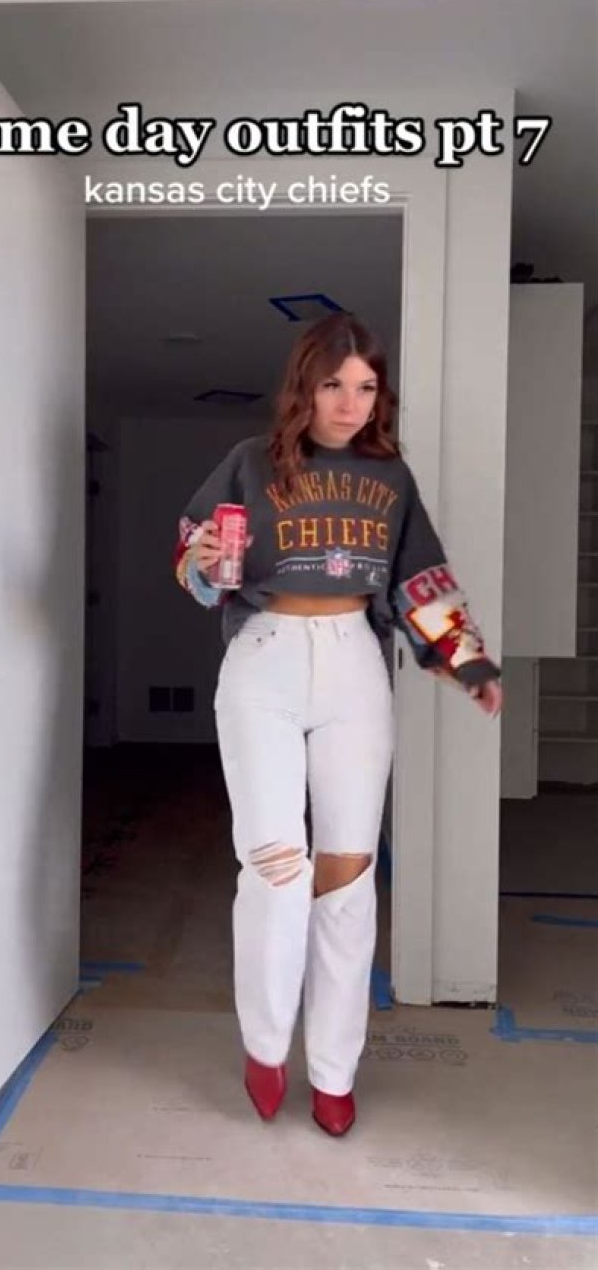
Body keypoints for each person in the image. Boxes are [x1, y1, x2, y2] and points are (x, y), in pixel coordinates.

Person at [173, 313, 502, 1137]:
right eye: (334, 385)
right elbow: (194, 560)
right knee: (275, 867)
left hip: (355, 661)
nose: (351, 403)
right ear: (305, 387)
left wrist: (468, 662)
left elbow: (421, 575)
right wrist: (203, 561)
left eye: (365, 387)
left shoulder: (390, 477)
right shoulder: (250, 462)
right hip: (265, 657)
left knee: (347, 879)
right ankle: (264, 1044)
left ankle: (333, 1069)